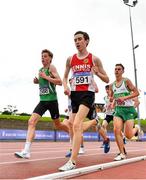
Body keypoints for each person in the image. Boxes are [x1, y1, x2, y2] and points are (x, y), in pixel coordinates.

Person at [59, 31, 109, 171]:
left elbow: (107, 79)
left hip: (87, 94)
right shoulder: (70, 59)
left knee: (76, 124)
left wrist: (97, 72)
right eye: (75, 40)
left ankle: (72, 161)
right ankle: (94, 122)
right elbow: (64, 77)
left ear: (86, 41)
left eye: (80, 39)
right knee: (73, 126)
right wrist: (65, 87)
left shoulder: (94, 59)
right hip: (74, 94)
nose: (77, 42)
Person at [14, 49, 68, 159]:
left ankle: (72, 132)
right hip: (43, 101)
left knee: (58, 125)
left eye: (45, 56)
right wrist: (37, 81)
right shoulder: (40, 70)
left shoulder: (51, 68)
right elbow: (46, 82)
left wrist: (45, 77)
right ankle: (26, 151)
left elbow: (59, 82)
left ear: (50, 58)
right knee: (31, 121)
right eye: (42, 56)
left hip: (52, 101)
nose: (43, 58)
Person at [110, 63, 143, 161]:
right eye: (115, 69)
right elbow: (112, 97)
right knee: (116, 130)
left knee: (128, 135)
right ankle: (122, 153)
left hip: (129, 110)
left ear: (123, 71)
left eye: (119, 69)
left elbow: (137, 92)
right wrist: (112, 102)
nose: (117, 71)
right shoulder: (112, 85)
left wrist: (124, 97)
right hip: (119, 110)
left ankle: (136, 128)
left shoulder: (126, 81)